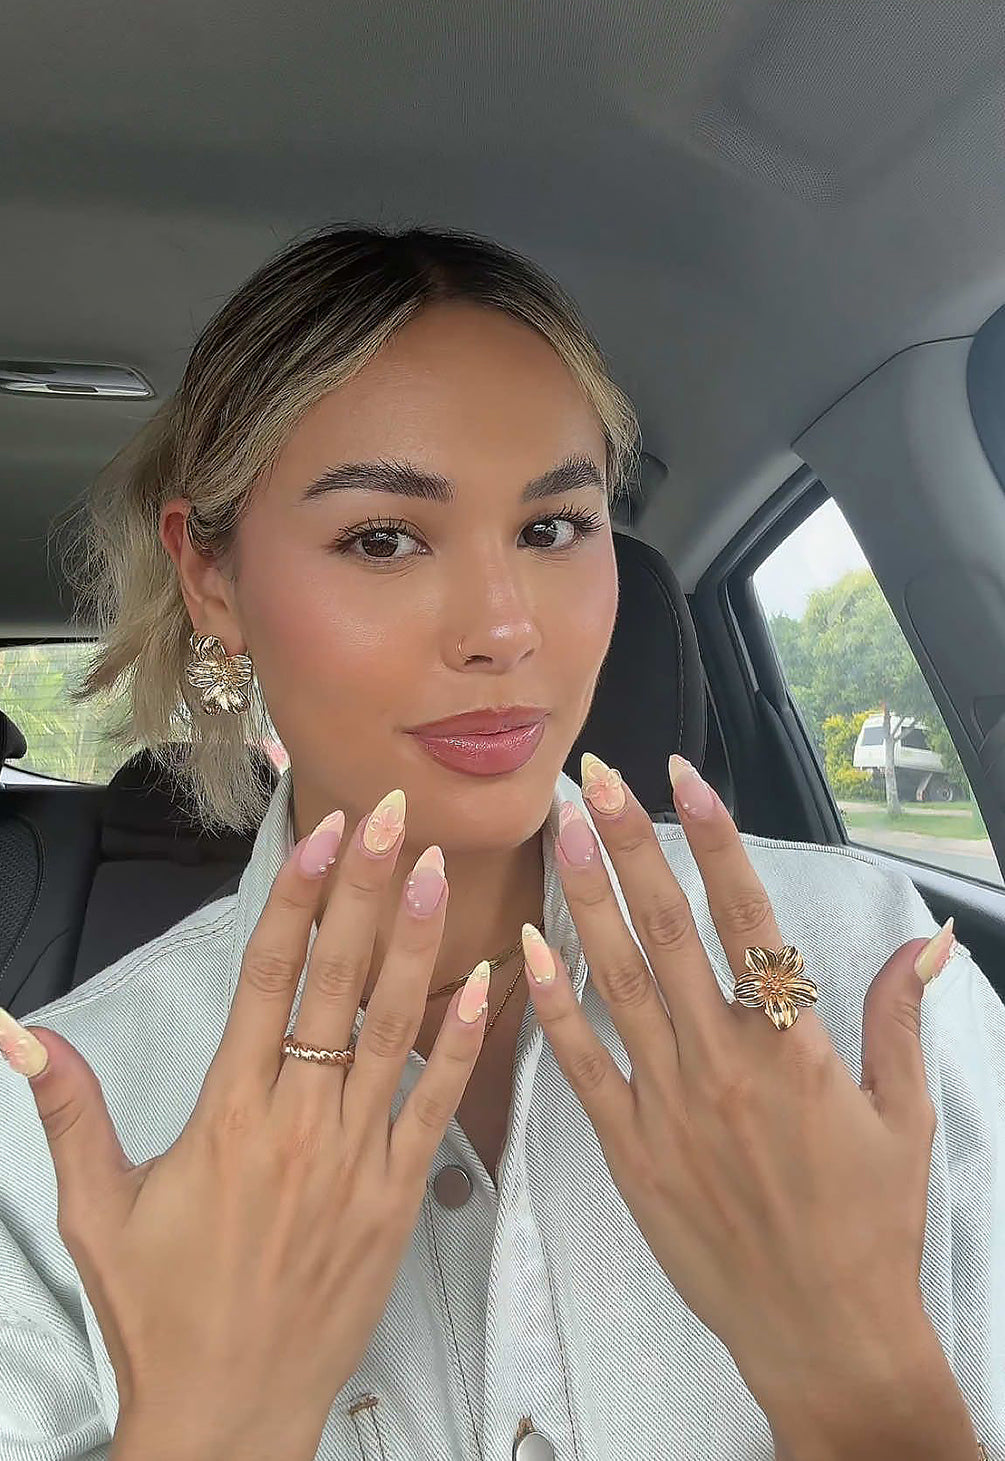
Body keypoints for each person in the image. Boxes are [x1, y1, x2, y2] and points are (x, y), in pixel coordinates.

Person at [0, 226, 999, 1461]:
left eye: (554, 528)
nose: (502, 627)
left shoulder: (871, 977)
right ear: (211, 579)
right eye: (382, 538)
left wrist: (865, 1379)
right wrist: (212, 1430)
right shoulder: (56, 1132)